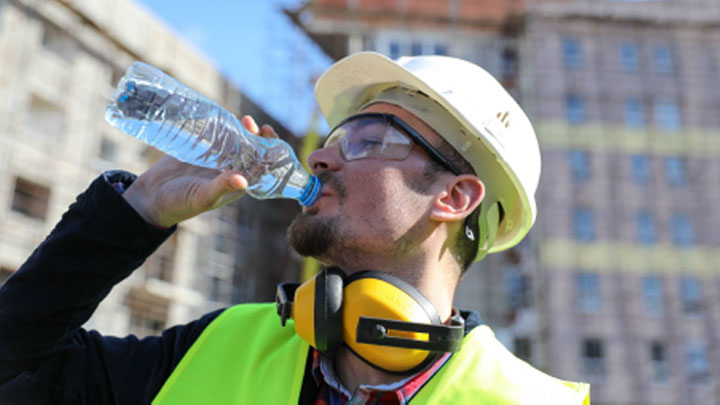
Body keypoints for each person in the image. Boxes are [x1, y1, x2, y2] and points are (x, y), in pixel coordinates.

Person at [0, 52, 590, 404]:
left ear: (455, 195)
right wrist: (134, 213)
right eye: (334, 139)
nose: (321, 158)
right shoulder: (220, 345)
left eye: (368, 141)